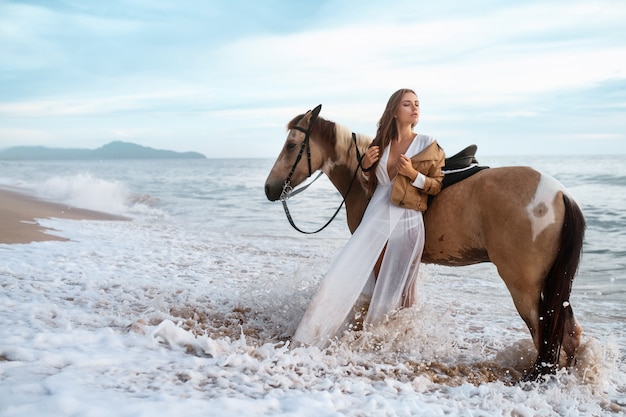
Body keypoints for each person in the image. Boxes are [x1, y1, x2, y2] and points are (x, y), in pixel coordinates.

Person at [293, 88, 445, 348]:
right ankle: (324, 337)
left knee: (400, 290)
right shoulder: (380, 145)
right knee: (346, 275)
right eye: (407, 104)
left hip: (406, 221)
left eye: (417, 104)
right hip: (375, 219)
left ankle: (396, 345)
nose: (415, 108)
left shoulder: (427, 144)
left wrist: (412, 173)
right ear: (395, 111)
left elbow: (435, 185)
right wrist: (365, 167)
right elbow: (373, 185)